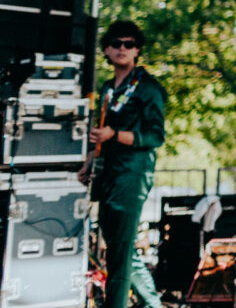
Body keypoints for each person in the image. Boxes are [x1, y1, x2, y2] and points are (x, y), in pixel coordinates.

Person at [78, 20, 167, 308]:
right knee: (118, 247)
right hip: (107, 173)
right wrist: (89, 162)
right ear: (106, 50)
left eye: (129, 44)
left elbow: (155, 136)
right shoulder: (107, 88)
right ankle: (152, 304)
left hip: (132, 174)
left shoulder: (148, 88)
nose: (122, 49)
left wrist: (115, 135)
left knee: (122, 247)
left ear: (137, 50)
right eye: (115, 44)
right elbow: (101, 135)